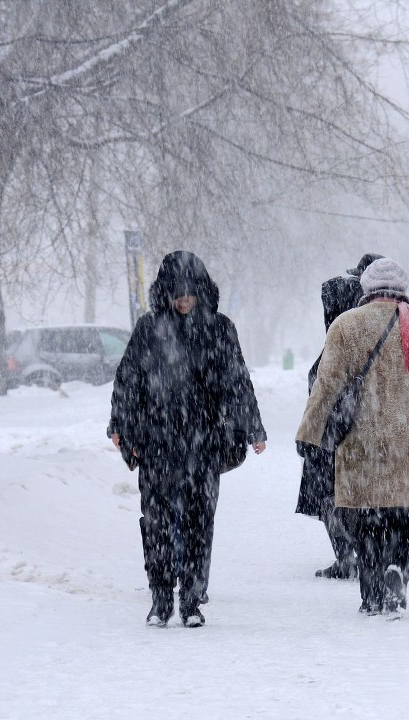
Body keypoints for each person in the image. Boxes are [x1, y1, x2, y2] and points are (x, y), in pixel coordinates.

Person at [108, 251, 267, 628]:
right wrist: (119, 424)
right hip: (157, 442)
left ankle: (192, 601)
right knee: (158, 523)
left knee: (199, 522)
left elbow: (237, 383)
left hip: (204, 442)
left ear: (201, 291)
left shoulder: (219, 329)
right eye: (177, 294)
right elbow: (128, 380)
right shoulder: (149, 329)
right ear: (165, 292)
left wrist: (253, 427)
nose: (184, 301)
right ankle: (161, 598)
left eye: (190, 293)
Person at [295, 258, 409, 618]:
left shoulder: (346, 325)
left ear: (366, 287)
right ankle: (398, 571)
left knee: (367, 519)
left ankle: (372, 593)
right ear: (402, 287)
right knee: (402, 515)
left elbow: (326, 385)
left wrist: (310, 432)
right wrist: (408, 381)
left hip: (362, 442)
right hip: (406, 438)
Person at [295, 253, 383, 580]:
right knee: (344, 498)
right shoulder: (355, 331)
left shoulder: (343, 335)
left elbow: (325, 386)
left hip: (336, 435)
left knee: (335, 498)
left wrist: (311, 430)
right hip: (344, 433)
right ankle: (358, 555)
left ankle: (351, 556)